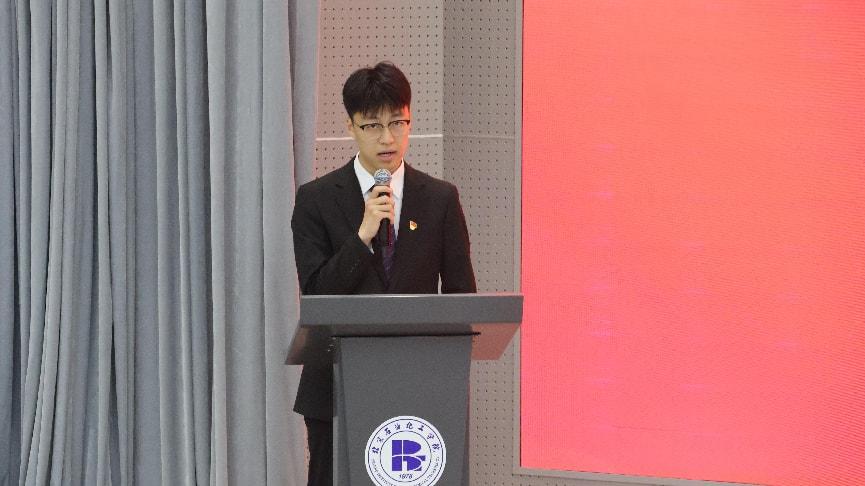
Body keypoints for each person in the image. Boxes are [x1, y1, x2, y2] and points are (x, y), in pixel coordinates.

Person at [290, 62, 477, 486]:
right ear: (351, 126)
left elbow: (462, 300)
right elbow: (316, 295)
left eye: (397, 122)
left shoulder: (440, 199)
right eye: (373, 125)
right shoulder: (316, 199)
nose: (388, 138)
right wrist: (362, 236)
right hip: (336, 390)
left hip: (422, 391)